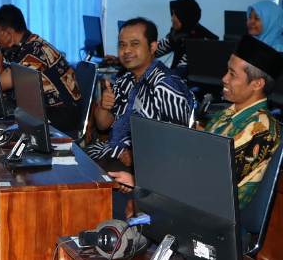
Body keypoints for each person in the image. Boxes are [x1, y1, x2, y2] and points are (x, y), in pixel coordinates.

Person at [111, 35, 282, 211]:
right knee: (112, 199)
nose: (224, 78)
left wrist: (144, 185)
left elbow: (208, 186)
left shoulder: (260, 128)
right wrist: (144, 180)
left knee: (114, 207)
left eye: (232, 74)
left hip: (213, 218)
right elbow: (194, 162)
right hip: (192, 203)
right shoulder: (228, 112)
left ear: (257, 84)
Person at [87, 17, 194, 218]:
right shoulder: (125, 80)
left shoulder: (167, 86)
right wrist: (104, 105)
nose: (126, 51)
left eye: (134, 44)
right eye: (122, 45)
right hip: (115, 157)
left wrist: (137, 166)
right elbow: (102, 125)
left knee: (86, 197)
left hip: (148, 176)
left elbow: (178, 149)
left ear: (153, 47)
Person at [0, 4, 81, 135]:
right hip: (53, 110)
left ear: (8, 33)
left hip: (63, 116)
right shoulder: (29, 43)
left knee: (6, 126)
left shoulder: (32, 54)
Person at [155, 0, 218, 76]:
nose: (172, 18)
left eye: (175, 14)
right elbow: (153, 51)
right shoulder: (178, 35)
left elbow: (180, 73)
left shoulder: (199, 41)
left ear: (183, 17)